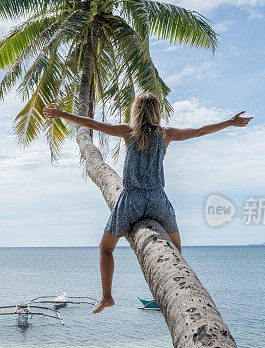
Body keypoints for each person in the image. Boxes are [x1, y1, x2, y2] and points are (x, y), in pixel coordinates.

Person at [43, 94, 252, 313]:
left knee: (105, 249)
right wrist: (230, 122)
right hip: (157, 200)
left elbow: (92, 124)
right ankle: (175, 290)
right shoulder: (166, 134)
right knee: (176, 250)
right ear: (156, 112)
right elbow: (200, 131)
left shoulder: (128, 132)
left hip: (131, 200)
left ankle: (106, 297)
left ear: (136, 111)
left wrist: (62, 114)